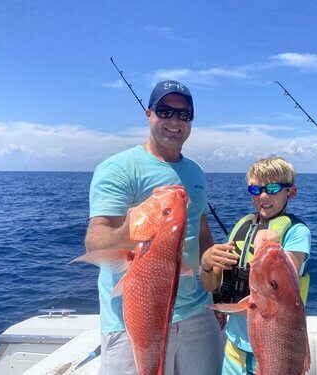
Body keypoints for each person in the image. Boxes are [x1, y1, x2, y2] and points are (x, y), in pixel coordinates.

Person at [85, 80, 224, 375]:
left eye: (183, 114)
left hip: (196, 313)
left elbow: (201, 233)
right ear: (148, 114)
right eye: (165, 111)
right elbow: (95, 243)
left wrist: (214, 295)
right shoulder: (119, 168)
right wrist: (135, 226)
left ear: (191, 120)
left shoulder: (195, 172)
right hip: (132, 321)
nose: (174, 121)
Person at [199, 156, 311, 375]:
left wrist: (273, 244)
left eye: (272, 187)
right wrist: (205, 264)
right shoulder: (242, 228)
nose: (263, 196)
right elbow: (211, 284)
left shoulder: (297, 232)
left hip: (275, 348)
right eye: (255, 189)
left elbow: (284, 279)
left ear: (291, 192)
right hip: (234, 349)